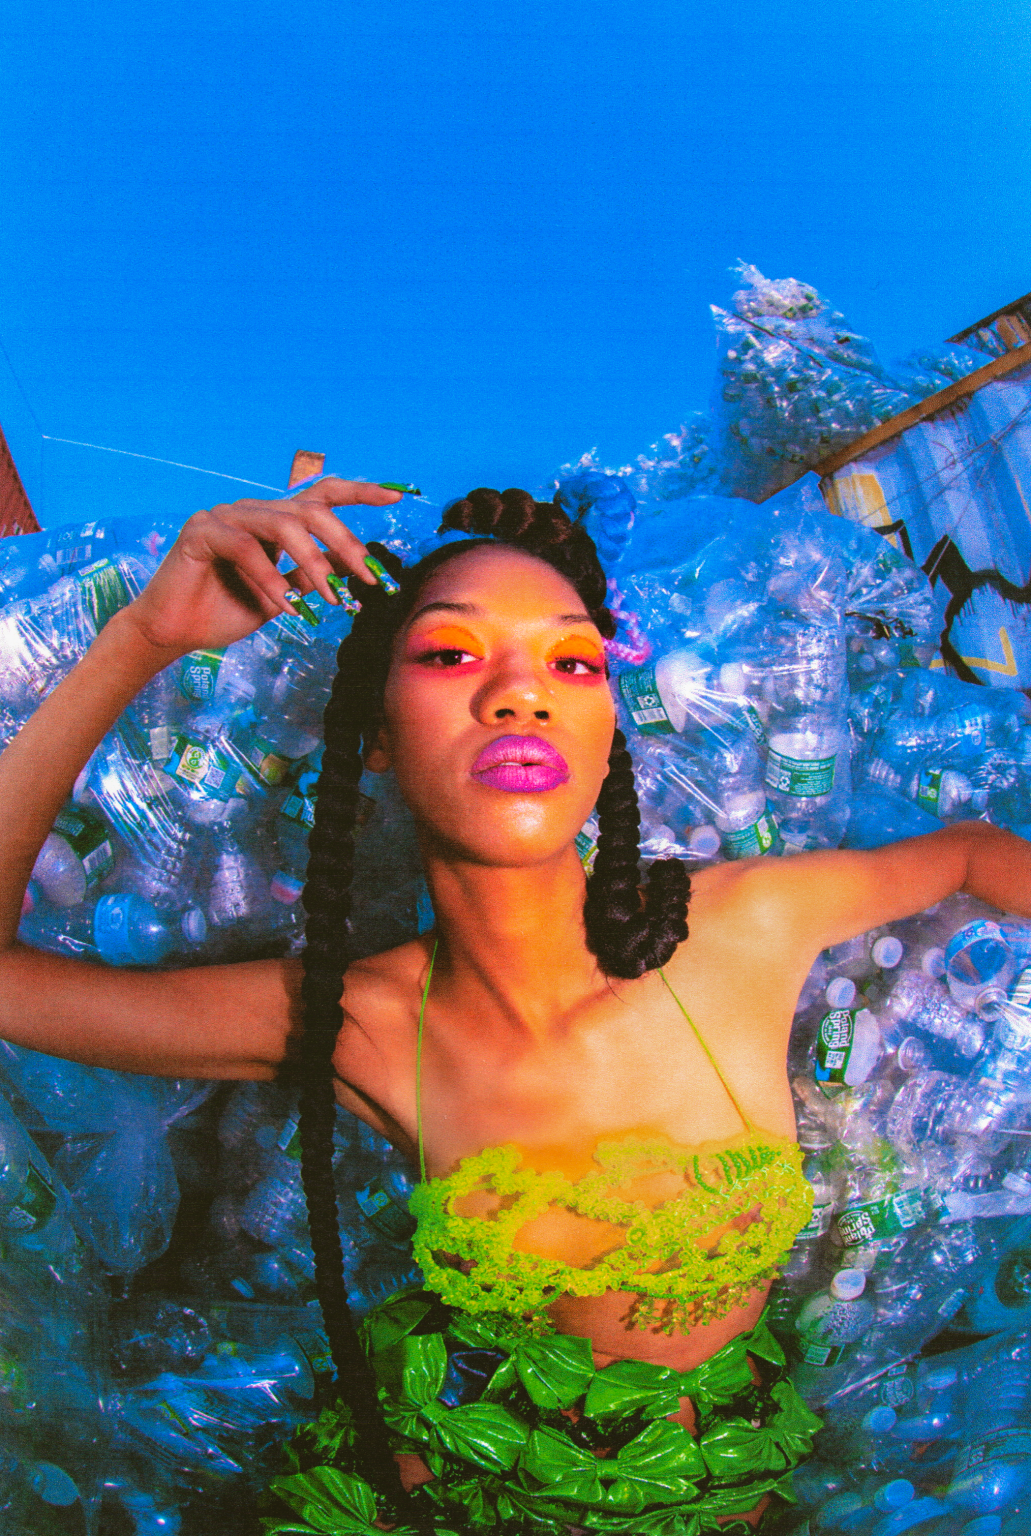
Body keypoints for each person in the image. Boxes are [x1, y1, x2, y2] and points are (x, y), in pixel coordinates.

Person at [0, 478, 1029, 1535]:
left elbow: (964, 852)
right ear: (373, 734)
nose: (519, 694)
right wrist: (141, 638)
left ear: (606, 727)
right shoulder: (356, 1021)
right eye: (451, 653)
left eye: (571, 662)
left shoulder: (743, 926)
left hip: (742, 1490)